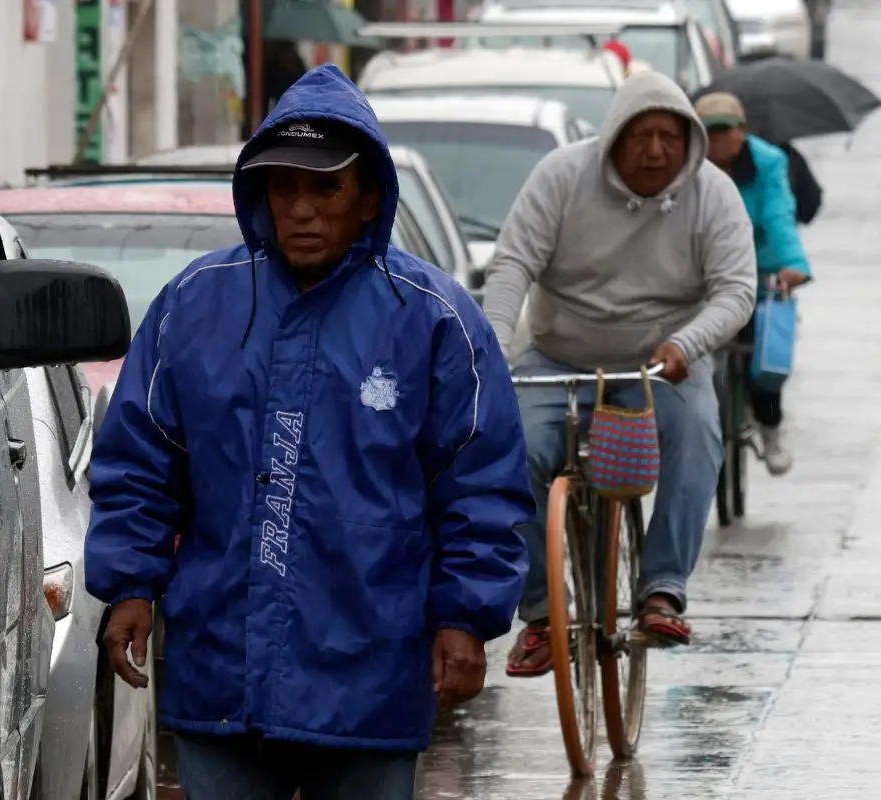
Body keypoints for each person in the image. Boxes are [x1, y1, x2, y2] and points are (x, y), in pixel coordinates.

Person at [84, 63, 534, 799]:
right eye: (284, 186)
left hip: (372, 673)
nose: (302, 209)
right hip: (221, 669)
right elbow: (140, 459)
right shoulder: (195, 305)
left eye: (325, 187)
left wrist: (465, 616)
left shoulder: (432, 318)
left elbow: (479, 480)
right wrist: (130, 583)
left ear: (367, 197)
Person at [482, 71, 757, 677]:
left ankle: (661, 588)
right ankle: (539, 615)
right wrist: (493, 351)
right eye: (641, 136)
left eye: (669, 137)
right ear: (614, 138)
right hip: (558, 357)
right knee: (508, 447)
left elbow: (736, 290)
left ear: (689, 141)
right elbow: (511, 267)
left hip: (663, 364)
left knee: (698, 436)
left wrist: (689, 343)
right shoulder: (560, 177)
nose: (656, 150)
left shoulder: (713, 195)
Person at [696, 91, 813, 475]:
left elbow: (781, 215)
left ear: (742, 132)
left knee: (765, 354)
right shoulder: (688, 165)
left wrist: (793, 264)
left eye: (725, 131)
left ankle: (770, 429)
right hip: (703, 270)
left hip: (757, 268)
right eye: (708, 133)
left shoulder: (768, 163)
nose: (716, 141)